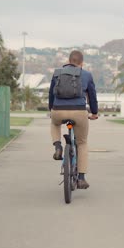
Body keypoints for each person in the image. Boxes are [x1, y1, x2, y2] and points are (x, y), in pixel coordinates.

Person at [49, 50, 98, 189]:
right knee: (82, 143)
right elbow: (92, 97)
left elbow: (51, 94)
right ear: (81, 63)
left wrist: (51, 110)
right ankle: (81, 178)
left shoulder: (57, 73)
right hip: (79, 112)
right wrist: (94, 112)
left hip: (58, 110)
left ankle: (58, 146)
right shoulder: (87, 75)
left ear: (68, 60)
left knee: (54, 123)